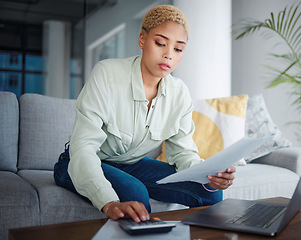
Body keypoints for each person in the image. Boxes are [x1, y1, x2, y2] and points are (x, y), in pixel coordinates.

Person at [54, 5, 235, 223]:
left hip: (133, 165)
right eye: (160, 43)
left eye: (178, 49)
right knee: (135, 193)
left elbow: (183, 155)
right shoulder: (107, 74)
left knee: (210, 192)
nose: (168, 54)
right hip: (80, 161)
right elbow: (83, 148)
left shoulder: (179, 93)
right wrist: (108, 202)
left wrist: (210, 176)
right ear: (142, 40)